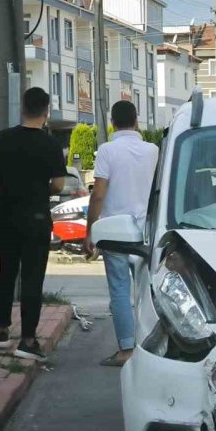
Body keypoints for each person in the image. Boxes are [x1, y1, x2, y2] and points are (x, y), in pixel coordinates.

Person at [0, 88, 67, 362]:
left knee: (6, 273)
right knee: (33, 277)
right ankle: (28, 340)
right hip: (36, 219)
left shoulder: (4, 138)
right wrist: (38, 187)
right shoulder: (50, 144)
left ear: (23, 108)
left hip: (7, 217)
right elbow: (58, 183)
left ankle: (0, 330)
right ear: (46, 111)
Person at [85, 101, 159, 367]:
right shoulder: (153, 150)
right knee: (145, 291)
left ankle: (127, 349)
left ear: (113, 122)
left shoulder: (107, 151)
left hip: (115, 232)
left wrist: (90, 231)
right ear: (136, 121)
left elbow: (99, 194)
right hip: (145, 232)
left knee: (119, 290)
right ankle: (150, 347)